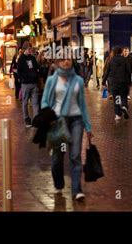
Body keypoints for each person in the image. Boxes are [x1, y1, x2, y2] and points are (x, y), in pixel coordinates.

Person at [41, 56, 93, 201]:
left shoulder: (78, 80)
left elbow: (82, 104)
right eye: (62, 59)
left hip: (76, 121)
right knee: (57, 158)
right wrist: (48, 116)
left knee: (75, 155)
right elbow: (44, 101)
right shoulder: (52, 80)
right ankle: (59, 183)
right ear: (57, 62)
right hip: (58, 121)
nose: (66, 61)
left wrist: (88, 126)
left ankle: (77, 190)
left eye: (68, 59)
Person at [102, 46, 132, 121]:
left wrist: (103, 81)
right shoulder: (125, 60)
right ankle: (124, 106)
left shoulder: (111, 60)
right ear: (121, 52)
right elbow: (129, 71)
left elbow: (107, 72)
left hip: (114, 83)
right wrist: (129, 81)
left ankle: (118, 114)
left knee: (116, 97)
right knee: (124, 95)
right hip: (124, 82)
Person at [17, 42, 40, 127]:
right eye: (29, 49)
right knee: (25, 102)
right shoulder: (21, 59)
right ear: (25, 49)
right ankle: (27, 119)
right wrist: (24, 78)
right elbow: (19, 72)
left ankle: (36, 120)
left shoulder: (33, 58)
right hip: (26, 84)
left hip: (34, 83)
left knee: (35, 103)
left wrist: (36, 75)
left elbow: (37, 67)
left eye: (31, 49)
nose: (31, 50)